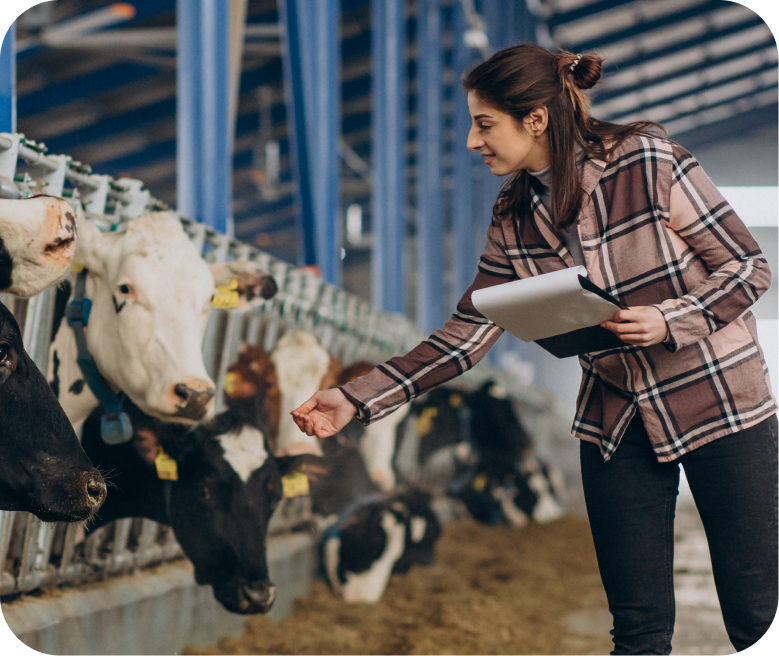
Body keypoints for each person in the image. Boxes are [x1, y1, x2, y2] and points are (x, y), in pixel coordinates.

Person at [291, 43, 778, 655]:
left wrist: (670, 318)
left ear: (537, 119)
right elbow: (465, 335)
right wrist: (354, 398)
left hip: (720, 402)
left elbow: (747, 267)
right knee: (637, 629)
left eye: (484, 123)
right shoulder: (512, 215)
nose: (473, 141)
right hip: (615, 417)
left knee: (756, 613)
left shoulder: (649, 161)